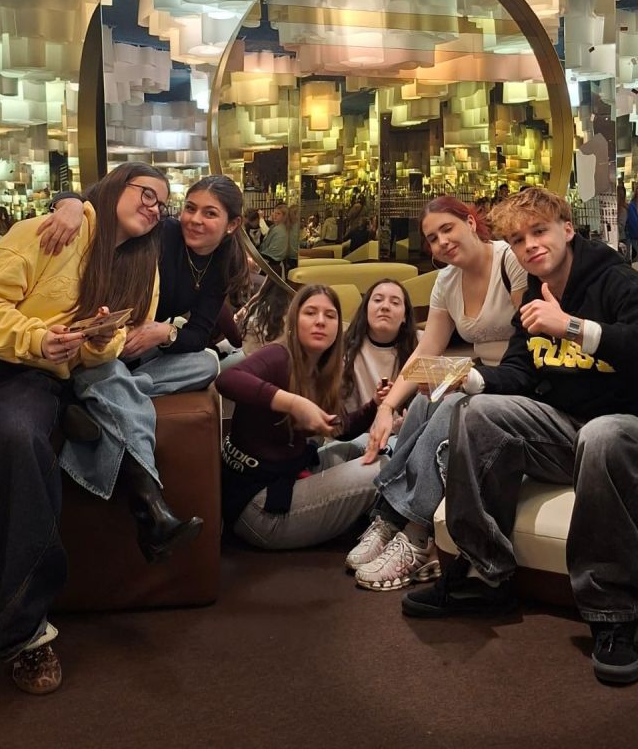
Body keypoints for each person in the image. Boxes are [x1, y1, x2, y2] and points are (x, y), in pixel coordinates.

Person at [400, 187, 638, 688]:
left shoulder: (617, 280)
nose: (529, 245)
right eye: (517, 238)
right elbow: (519, 373)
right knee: (478, 413)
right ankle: (484, 575)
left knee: (605, 434)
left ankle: (615, 614)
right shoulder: (534, 297)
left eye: (539, 231)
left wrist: (574, 327)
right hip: (574, 431)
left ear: (567, 230)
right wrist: (467, 378)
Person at [0, 162, 168, 695]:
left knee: (20, 443)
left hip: (31, 375)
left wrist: (95, 341)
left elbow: (109, 348)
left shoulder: (143, 270)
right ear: (115, 188)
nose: (155, 207)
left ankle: (23, 632)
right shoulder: (53, 229)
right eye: (146, 193)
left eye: (162, 203)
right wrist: (38, 337)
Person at [38, 176, 251, 537]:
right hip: (103, 341)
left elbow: (199, 334)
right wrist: (68, 202)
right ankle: (152, 506)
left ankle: (96, 397)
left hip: (137, 349)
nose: (195, 220)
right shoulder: (162, 231)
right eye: (190, 208)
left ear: (232, 224)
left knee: (207, 362)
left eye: (210, 213)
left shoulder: (222, 264)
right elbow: (99, 200)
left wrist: (164, 333)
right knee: (107, 367)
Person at [346, 196, 526, 591]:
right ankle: (389, 519)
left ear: (470, 222)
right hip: (481, 376)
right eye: (432, 237)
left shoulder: (509, 261)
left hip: (518, 379)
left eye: (448, 228)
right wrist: (388, 406)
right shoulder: (447, 280)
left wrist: (465, 378)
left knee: (451, 407)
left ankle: (415, 531)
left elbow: (528, 340)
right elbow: (428, 349)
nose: (442, 242)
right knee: (422, 403)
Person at [217, 284, 386, 550]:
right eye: (310, 313)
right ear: (294, 321)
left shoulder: (319, 369)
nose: (320, 321)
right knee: (381, 468)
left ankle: (378, 518)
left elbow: (339, 428)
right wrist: (294, 404)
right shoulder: (278, 355)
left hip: (286, 476)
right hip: (259, 510)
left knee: (364, 447)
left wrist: (374, 404)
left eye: (330, 315)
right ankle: (387, 527)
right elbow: (227, 380)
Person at [341, 279, 419, 413]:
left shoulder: (422, 344)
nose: (385, 307)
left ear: (405, 316)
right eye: (378, 300)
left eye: (395, 303)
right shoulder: (345, 347)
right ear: (365, 310)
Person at [259, 205, 289, 274]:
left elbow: (274, 251)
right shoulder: (274, 227)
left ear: (284, 216)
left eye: (278, 213)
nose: (275, 215)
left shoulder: (280, 229)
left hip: (273, 263)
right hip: (270, 260)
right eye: (274, 212)